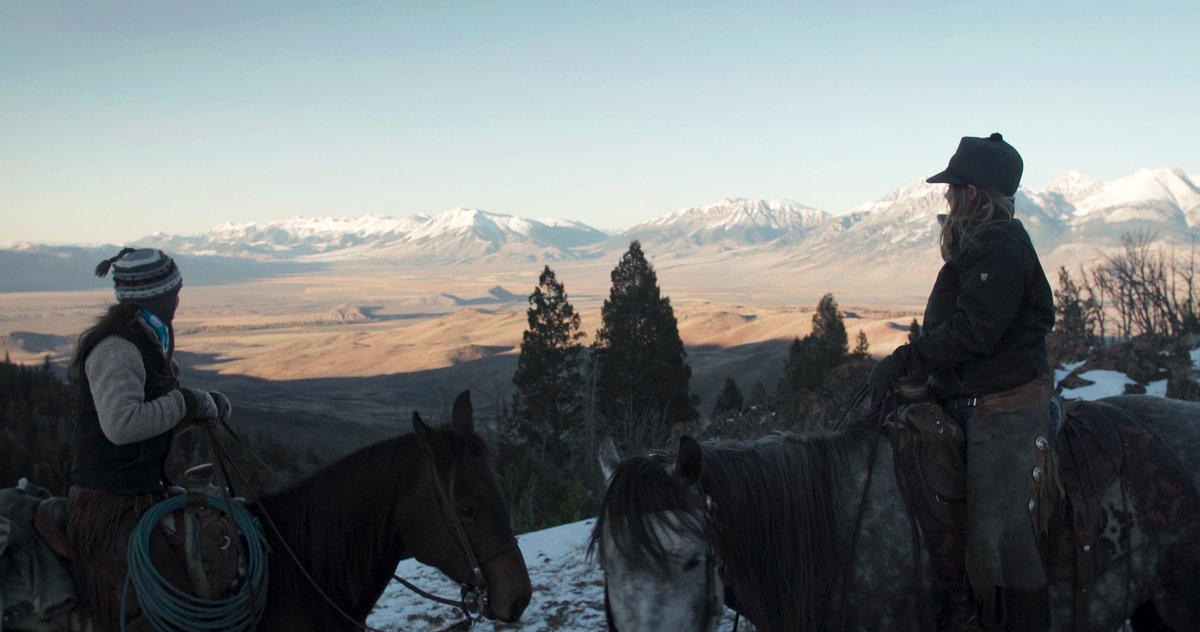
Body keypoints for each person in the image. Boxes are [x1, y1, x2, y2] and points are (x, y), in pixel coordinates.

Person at [867, 133, 1057, 631]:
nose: (945, 198)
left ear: (972, 194)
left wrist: (909, 356)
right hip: (967, 394)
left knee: (999, 536)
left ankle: (1011, 619)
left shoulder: (999, 243)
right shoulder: (982, 240)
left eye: (952, 189)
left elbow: (977, 331)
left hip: (1005, 405)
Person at [67, 248, 233, 631]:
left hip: (141, 493)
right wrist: (185, 402)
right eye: (174, 291)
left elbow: (151, 421)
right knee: (171, 605)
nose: (178, 298)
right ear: (157, 295)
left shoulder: (144, 338)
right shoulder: (116, 348)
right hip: (111, 503)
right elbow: (122, 425)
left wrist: (200, 408)